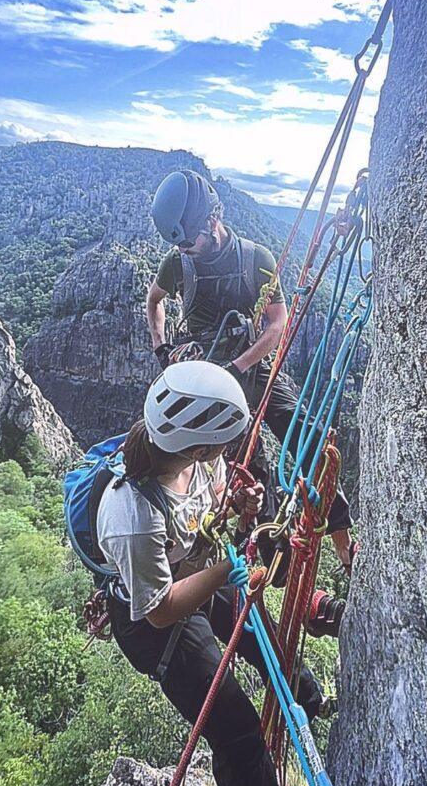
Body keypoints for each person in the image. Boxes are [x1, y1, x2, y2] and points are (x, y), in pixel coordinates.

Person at [99, 361, 323, 786]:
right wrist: (224, 570)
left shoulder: (196, 459)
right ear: (196, 446)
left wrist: (241, 509)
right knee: (239, 735)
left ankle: (308, 699)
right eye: (223, 444)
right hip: (157, 625)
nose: (231, 451)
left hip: (200, 570)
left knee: (268, 644)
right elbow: (159, 609)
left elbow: (210, 509)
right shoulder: (130, 515)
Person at [145, 168, 357, 573]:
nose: (187, 249)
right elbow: (154, 300)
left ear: (211, 219)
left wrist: (239, 365)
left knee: (306, 439)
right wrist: (162, 349)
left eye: (192, 241)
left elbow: (278, 323)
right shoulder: (178, 264)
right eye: (182, 245)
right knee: (248, 470)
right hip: (208, 376)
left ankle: (346, 546)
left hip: (253, 365)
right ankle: (266, 556)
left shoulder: (254, 258)